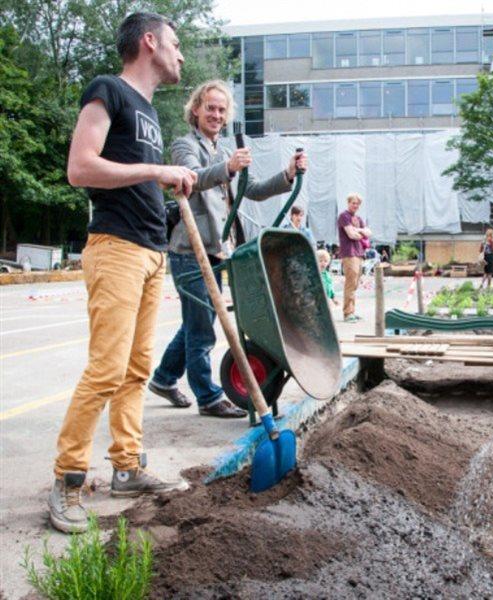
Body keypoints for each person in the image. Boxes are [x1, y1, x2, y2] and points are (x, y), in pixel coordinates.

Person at [49, 12, 198, 534]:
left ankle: (127, 467)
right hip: (115, 249)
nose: (181, 55)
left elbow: (133, 177)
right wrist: (157, 171)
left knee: (136, 371)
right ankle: (67, 477)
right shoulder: (108, 90)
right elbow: (80, 168)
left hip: (151, 252)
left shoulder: (152, 113)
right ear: (150, 42)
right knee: (106, 369)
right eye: (175, 45)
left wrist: (169, 194)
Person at [148, 79, 306, 418]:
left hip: (217, 250)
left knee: (198, 319)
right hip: (190, 250)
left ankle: (163, 377)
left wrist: (288, 174)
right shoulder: (184, 145)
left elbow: (254, 189)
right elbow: (191, 177)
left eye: (221, 110)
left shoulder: (221, 151)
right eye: (210, 108)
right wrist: (228, 168)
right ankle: (207, 396)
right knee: (202, 324)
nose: (216, 115)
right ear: (196, 110)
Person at [337, 193, 371, 323]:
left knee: (355, 283)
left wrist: (359, 232)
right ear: (348, 202)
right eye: (353, 203)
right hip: (349, 253)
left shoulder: (358, 218)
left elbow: (369, 233)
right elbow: (352, 235)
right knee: (351, 282)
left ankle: (352, 311)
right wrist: (361, 232)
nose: (355, 205)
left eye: (357, 203)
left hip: (359, 253)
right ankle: (348, 313)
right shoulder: (344, 216)